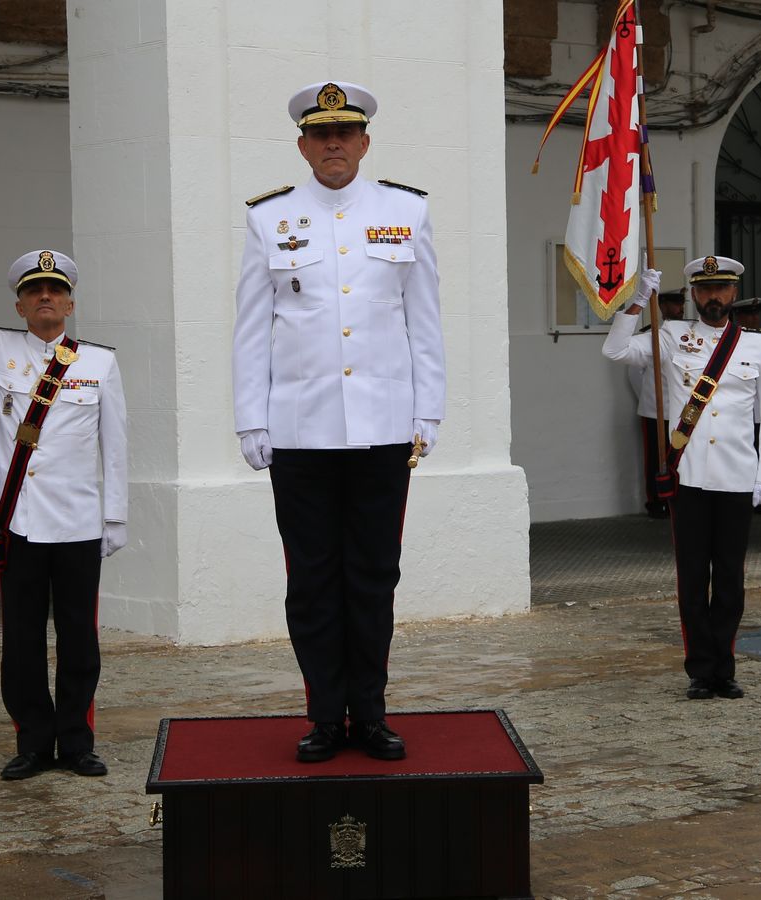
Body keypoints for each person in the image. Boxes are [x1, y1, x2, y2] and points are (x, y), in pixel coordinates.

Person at [232, 81, 444, 763]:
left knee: (375, 577)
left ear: (364, 142)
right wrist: (250, 419)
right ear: (302, 145)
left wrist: (426, 410)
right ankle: (326, 716)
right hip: (299, 431)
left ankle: (372, 715)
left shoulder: (406, 211)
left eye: (344, 133)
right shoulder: (271, 219)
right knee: (313, 580)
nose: (333, 145)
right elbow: (250, 329)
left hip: (383, 429)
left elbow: (424, 322)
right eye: (320, 136)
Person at [0, 246, 128, 780]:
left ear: (70, 303)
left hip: (78, 523)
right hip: (18, 522)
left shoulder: (98, 362)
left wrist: (115, 518)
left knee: (80, 640)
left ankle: (77, 742)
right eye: (34, 291)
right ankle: (33, 741)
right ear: (19, 305)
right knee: (22, 641)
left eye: (54, 290)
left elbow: (116, 445)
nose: (45, 297)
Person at [604, 256, 761, 700]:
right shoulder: (670, 336)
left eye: (721, 290)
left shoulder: (757, 345)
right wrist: (636, 303)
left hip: (737, 477)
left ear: (733, 293)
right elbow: (616, 351)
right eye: (704, 291)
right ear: (693, 295)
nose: (713, 298)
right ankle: (700, 671)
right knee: (691, 578)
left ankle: (724, 667)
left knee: (730, 581)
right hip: (688, 479)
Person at [626, 290, 686, 519]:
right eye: (673, 304)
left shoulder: (688, 335)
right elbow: (634, 375)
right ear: (661, 306)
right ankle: (655, 501)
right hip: (654, 411)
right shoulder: (651, 336)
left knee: (679, 459)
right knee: (655, 457)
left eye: (681, 304)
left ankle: (677, 498)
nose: (678, 309)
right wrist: (650, 400)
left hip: (681, 413)